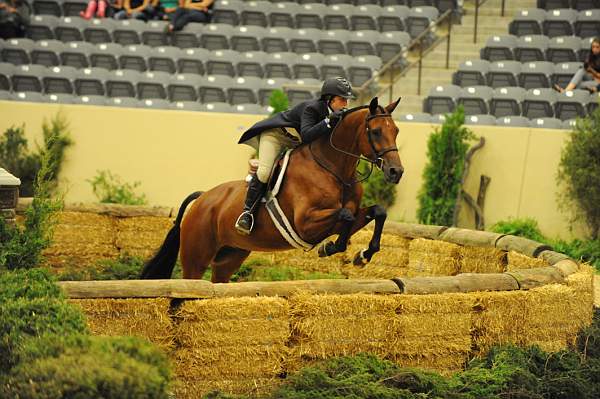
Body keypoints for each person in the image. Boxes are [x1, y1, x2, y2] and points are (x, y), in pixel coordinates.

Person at [234, 77, 355, 235]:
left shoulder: (337, 115)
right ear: (329, 99)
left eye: (347, 100)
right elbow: (306, 135)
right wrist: (327, 121)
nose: (345, 104)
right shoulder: (312, 108)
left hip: (295, 143)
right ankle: (247, 213)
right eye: (342, 99)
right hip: (276, 137)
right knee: (264, 172)